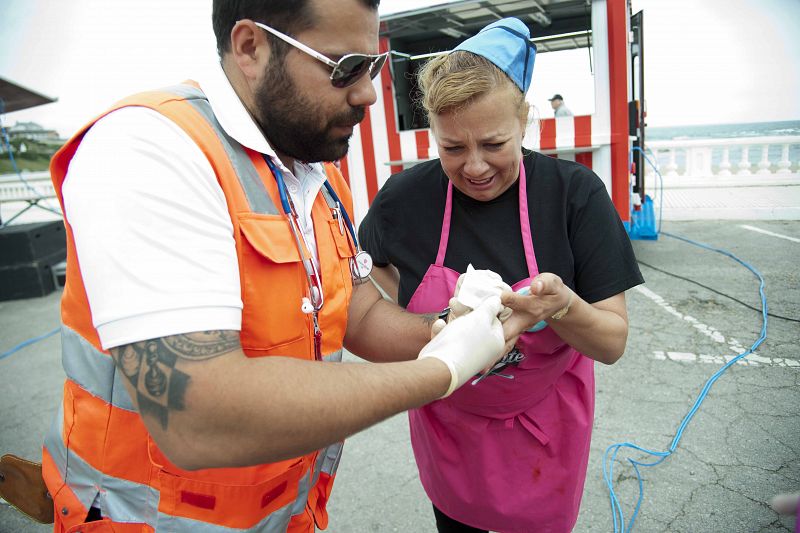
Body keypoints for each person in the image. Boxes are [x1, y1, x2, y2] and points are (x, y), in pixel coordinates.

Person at [40, 1, 512, 531]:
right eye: (345, 67)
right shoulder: (150, 151)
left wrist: (446, 329)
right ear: (250, 48)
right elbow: (196, 418)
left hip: (287, 514)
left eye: (373, 66)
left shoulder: (315, 174)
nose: (368, 93)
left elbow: (354, 310)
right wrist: (442, 370)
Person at [358, 18, 644, 532]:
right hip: (449, 430)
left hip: (544, 430)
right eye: (452, 148)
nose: (474, 167)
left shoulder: (574, 196)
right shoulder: (404, 199)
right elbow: (369, 267)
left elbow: (611, 342)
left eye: (493, 144)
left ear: (524, 123)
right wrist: (423, 313)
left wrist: (562, 306)